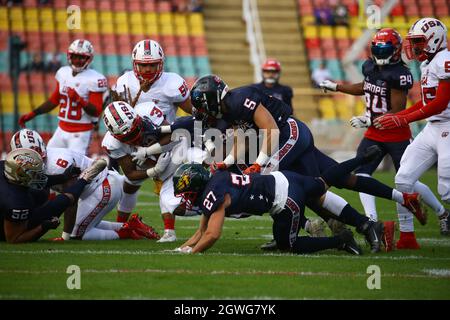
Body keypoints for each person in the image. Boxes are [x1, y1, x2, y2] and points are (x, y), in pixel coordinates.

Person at [188, 75, 427, 251]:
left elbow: (270, 128)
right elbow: (243, 136)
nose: (201, 112)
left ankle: (350, 225)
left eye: (202, 106)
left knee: (286, 186)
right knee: (337, 179)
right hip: (283, 138)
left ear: (211, 99)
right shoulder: (228, 108)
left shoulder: (240, 99)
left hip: (288, 133)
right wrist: (228, 160)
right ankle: (398, 202)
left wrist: (259, 164)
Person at [319, 28, 447, 249]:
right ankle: (372, 221)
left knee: (408, 180)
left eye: (384, 48)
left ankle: (442, 212)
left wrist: (368, 119)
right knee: (361, 175)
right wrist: (337, 86)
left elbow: (397, 110)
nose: (380, 52)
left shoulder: (400, 73)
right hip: (374, 133)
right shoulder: (370, 66)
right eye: (377, 48)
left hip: (396, 133)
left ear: (395, 51)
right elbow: (365, 87)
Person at [172, 146, 386, 254]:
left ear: (197, 185)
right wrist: (182, 249)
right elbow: (200, 232)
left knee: (288, 245)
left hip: (285, 199)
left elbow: (212, 234)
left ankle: (341, 240)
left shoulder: (213, 194)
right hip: (282, 178)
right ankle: (363, 157)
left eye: (185, 189)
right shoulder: (214, 183)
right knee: (322, 182)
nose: (184, 195)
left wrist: (193, 253)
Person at [374, 18, 450, 239]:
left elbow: (440, 104)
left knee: (446, 187)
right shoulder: (428, 63)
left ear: (434, 39)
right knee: (404, 178)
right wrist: (399, 116)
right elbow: (427, 103)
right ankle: (407, 237)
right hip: (432, 127)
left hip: (447, 125)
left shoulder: (444, 59)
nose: (414, 46)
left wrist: (402, 120)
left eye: (419, 41)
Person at [10, 129, 160, 241]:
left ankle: (125, 233)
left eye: (34, 153)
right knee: (85, 225)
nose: (31, 159)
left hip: (102, 186)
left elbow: (71, 200)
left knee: (77, 233)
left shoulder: (56, 165)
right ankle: (130, 226)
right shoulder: (47, 160)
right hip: (96, 187)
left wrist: (65, 236)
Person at [109, 39, 192, 242]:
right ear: (135, 64)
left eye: (152, 64)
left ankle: (169, 231)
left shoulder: (172, 83)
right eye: (143, 64)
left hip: (164, 143)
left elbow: (194, 113)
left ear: (160, 63)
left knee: (166, 186)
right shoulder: (124, 82)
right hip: (134, 142)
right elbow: (116, 114)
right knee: (130, 182)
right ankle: (122, 227)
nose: (147, 69)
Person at [18, 39, 107, 155]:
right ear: (69, 56)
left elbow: (96, 111)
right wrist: (33, 113)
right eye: (74, 56)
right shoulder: (63, 73)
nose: (77, 60)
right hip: (60, 130)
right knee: (47, 159)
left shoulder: (95, 79)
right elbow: (54, 100)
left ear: (89, 59)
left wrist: (79, 99)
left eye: (81, 57)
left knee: (76, 167)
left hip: (80, 133)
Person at [0, 148, 106, 243]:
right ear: (20, 175)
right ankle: (85, 179)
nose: (39, 175)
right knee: (62, 201)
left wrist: (63, 177)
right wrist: (43, 227)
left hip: (12, 202)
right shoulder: (16, 202)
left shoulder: (5, 167)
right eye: (34, 174)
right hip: (7, 231)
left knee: (41, 191)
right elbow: (14, 239)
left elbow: (38, 180)